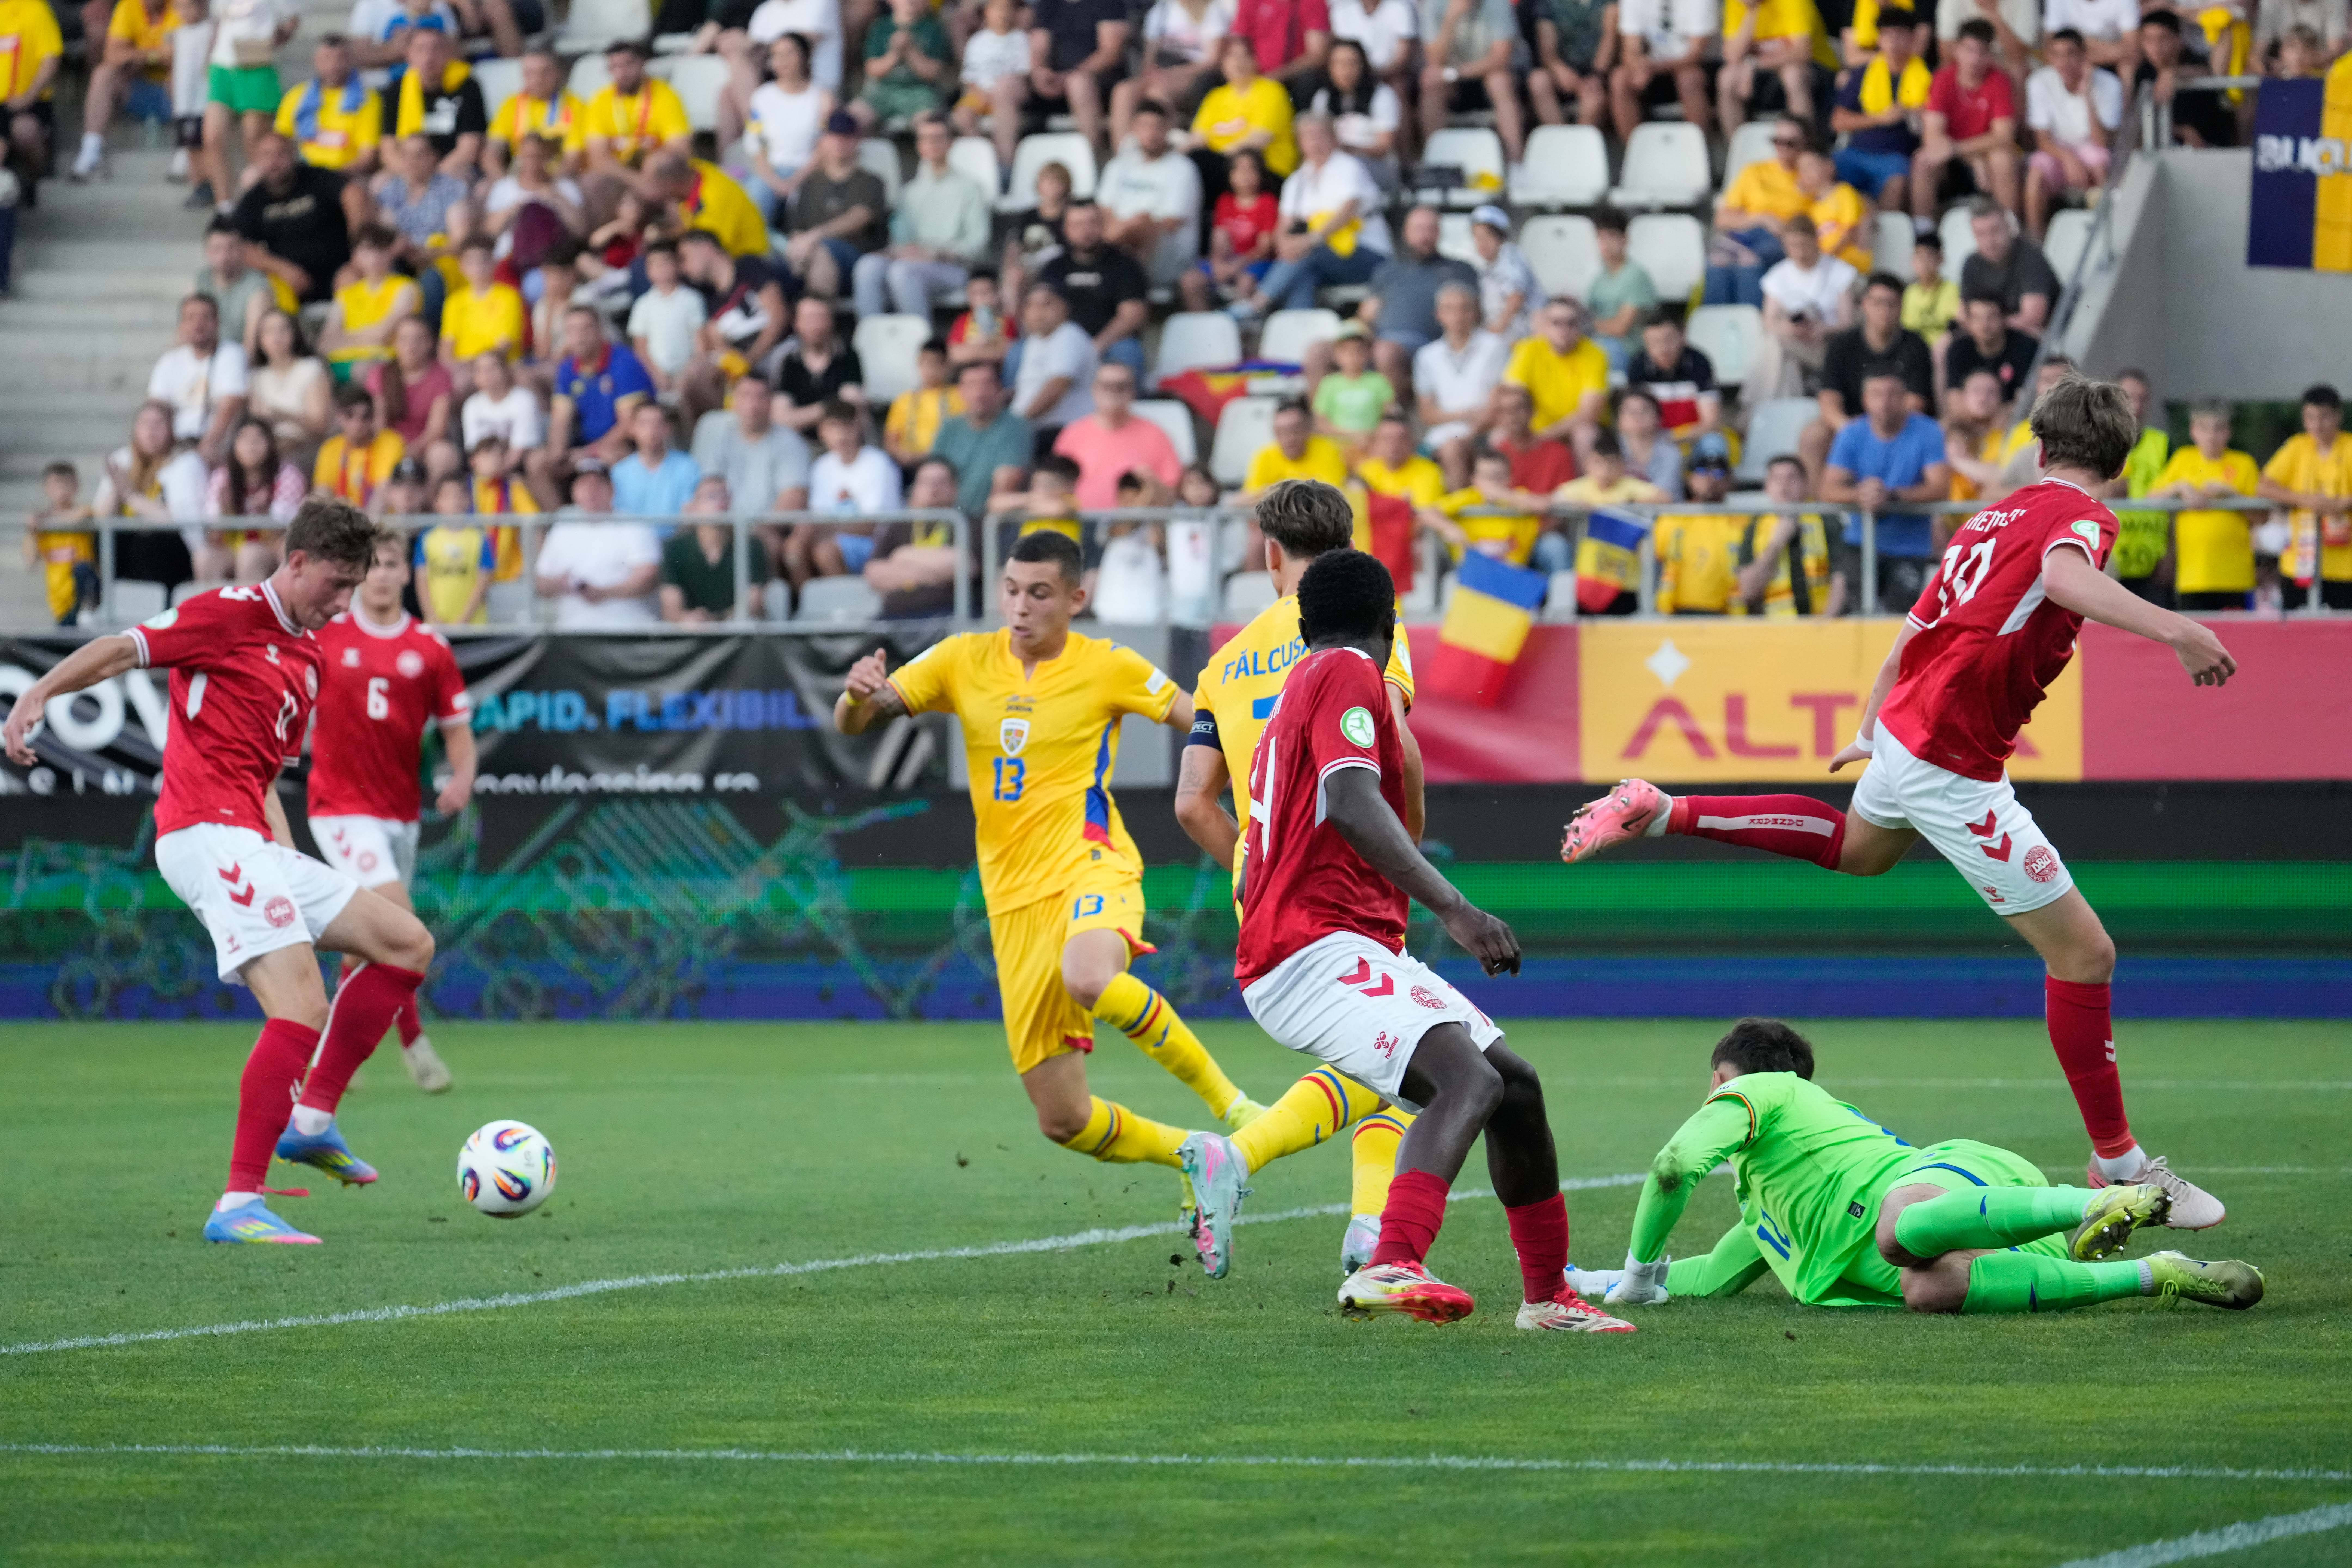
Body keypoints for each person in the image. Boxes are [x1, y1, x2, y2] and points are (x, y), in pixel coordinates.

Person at [1565, 375, 2239, 1226]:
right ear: (2122, 461)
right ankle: (2120, 1167)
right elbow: (2066, 579)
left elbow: (1915, 628)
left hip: (1911, 726)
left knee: (1860, 850)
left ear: (2037, 449)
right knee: (2086, 957)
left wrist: (1872, 722)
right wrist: (2180, 629)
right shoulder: (2083, 519)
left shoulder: (1986, 520)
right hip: (1952, 758)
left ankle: (1669, 811)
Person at [2, 498, 437, 1247]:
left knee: (406, 944)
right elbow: (120, 647)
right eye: (336, 585)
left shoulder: (310, 657)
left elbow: (264, 776)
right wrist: (39, 693)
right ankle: (239, 1201)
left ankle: (313, 1120)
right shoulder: (228, 613)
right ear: (295, 563)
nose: (344, 604)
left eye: (354, 587)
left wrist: (287, 855)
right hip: (202, 832)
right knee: (301, 1003)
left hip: (251, 839)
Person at [1214, 547, 1626, 1331]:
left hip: (1337, 943)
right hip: (1312, 949)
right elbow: (1347, 800)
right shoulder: (1346, 672)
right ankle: (1391, 1261)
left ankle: (1550, 1299)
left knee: (1518, 1089)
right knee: (1466, 1082)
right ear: (1389, 620)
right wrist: (1455, 909)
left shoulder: (1304, 679)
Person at [833, 531, 1265, 1207]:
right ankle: (1197, 1155)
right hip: (1012, 902)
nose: (1020, 606)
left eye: (1038, 593)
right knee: (1063, 1119)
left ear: (1075, 597)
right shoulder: (961, 658)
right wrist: (857, 693)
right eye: (1010, 589)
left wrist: (1256, 782)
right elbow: (856, 722)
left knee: (1091, 974)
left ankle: (1236, 1109)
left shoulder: (1108, 664)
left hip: (1091, 862)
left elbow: (1200, 719)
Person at [1569, 1020, 2263, 1316]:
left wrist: (1635, 1270)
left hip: (1962, 1173)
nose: (1709, 1098)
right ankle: (2159, 1271)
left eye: (1715, 1083)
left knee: (1897, 1233)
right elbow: (1710, 1277)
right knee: (1929, 1289)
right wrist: (1597, 1281)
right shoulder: (1770, 1203)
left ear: (1732, 1079)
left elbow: (1674, 1165)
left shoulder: (1769, 1089)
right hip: (1995, 1225)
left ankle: (2107, 1197)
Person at [1172, 479, 1423, 1273]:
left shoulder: (1227, 662)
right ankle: (1241, 1158)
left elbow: (1191, 803)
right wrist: (1408, 863)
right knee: (1427, 1055)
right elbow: (1400, 750)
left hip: (1275, 892)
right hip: (1352, 877)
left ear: (1269, 553)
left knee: (1390, 1056)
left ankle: (1366, 1229)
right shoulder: (1361, 630)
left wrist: (1251, 871)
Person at [306, 526, 473, 1096]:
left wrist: (463, 776)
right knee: (403, 929)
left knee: (367, 943)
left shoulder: (430, 646)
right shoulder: (328, 637)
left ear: (408, 573)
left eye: (391, 564)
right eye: (371, 564)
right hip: (339, 809)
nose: (380, 574)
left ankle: (323, 1042)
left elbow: (457, 730)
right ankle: (415, 1044)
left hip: (401, 814)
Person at [1819, 367, 1949, 608]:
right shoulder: (1852, 433)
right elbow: (1828, 490)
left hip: (1910, 547)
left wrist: (1891, 495)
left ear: (1905, 399)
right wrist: (1862, 494)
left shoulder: (1929, 431)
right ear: (1865, 400)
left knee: (1897, 618)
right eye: (1877, 394)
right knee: (1852, 617)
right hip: (1860, 542)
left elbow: (1941, 488)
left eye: (1892, 394)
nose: (1885, 402)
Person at [1243, 111, 1386, 317]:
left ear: (1333, 138)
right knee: (1304, 275)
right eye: (1308, 136)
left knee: (1309, 254)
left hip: (1366, 253)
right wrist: (1285, 246)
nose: (1315, 141)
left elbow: (1348, 210)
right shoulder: (1297, 180)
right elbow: (1284, 225)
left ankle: (1258, 303)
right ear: (1300, 142)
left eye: (1320, 135)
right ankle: (1298, 331)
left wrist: (1312, 240)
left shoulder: (1348, 167)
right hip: (1320, 259)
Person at [1810, 272, 1934, 470]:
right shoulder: (1841, 346)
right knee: (1813, 436)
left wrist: (1879, 430)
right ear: (1864, 304)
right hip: (1850, 424)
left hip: (1898, 423)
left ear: (1902, 307)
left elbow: (1915, 403)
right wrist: (1853, 432)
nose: (1884, 311)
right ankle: (1819, 498)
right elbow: (1828, 400)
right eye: (1877, 303)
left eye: (1891, 304)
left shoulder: (1916, 346)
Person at [2153, 399, 2260, 611]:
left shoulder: (2244, 463)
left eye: (2219, 429)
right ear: (2194, 431)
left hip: (2236, 578)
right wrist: (2180, 487)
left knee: (2237, 642)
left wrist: (2232, 496)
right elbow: (2151, 499)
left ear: (2229, 432)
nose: (2212, 436)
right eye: (2205, 429)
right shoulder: (2183, 459)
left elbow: (2261, 517)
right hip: (2194, 578)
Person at [2256, 382, 2352, 610]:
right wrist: (2307, 501)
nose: (2317, 425)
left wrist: (2344, 503)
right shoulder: (2297, 447)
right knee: (2298, 635)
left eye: (2324, 417)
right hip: (2301, 563)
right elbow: (2263, 486)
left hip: (2346, 566)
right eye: (2310, 417)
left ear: (2338, 416)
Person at [1745, 215, 1857, 407]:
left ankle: (1755, 408)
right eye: (1793, 246)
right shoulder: (1778, 275)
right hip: (1793, 341)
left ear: (1816, 241)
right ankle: (1786, 410)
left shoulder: (1840, 272)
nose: (1799, 252)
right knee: (1782, 353)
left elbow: (1847, 322)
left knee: (1776, 345)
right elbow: (1769, 321)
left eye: (1804, 244)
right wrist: (1790, 329)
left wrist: (1822, 329)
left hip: (1827, 344)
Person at [96, 401, 207, 592]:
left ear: (172, 429)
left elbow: (180, 522)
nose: (151, 431)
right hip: (131, 550)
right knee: (103, 541)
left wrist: (130, 496)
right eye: (145, 424)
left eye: (158, 424)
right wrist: (117, 491)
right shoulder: (123, 459)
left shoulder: (185, 463)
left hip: (172, 550)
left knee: (149, 543)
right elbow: (101, 519)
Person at [1915, 19, 2019, 222]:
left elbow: (2004, 136)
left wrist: (1959, 150)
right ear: (1956, 50)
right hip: (1958, 157)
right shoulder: (1943, 79)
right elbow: (1932, 135)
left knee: (2003, 159)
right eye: (1969, 50)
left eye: (1982, 52)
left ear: (1991, 56)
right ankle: (1924, 233)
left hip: (1982, 155)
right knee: (1923, 161)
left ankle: (2010, 225)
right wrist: (1973, 160)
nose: (1974, 59)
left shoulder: (2000, 81)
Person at [2024, 28, 2123, 241]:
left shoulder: (2109, 84)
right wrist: (2068, 158)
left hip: (2093, 150)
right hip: (2058, 151)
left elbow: (2102, 142)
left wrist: (2087, 95)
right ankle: (2036, 242)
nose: (2063, 61)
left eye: (2070, 54)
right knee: (2036, 173)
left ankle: (2109, 236)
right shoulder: (2039, 82)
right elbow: (2042, 140)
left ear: (2084, 56)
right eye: (2057, 55)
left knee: (2100, 164)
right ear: (2049, 57)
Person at [201, 0, 297, 219]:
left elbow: (293, 17)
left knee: (254, 138)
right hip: (222, 63)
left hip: (256, 62)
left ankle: (258, 202)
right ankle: (224, 206)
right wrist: (210, 55)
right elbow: (219, 21)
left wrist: (277, 38)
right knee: (212, 137)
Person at [534, 464, 663, 625]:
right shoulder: (563, 528)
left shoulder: (634, 525)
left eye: (597, 484)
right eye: (583, 485)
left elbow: (647, 578)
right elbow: (541, 583)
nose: (591, 491)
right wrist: (560, 584)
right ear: (574, 492)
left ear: (612, 490)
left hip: (627, 628)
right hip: (572, 631)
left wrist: (603, 593)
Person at [1037, 200, 1152, 380]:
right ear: (1065, 230)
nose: (1086, 230)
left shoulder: (1125, 265)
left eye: (1092, 223)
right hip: (1062, 343)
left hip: (1111, 343)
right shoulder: (1054, 268)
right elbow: (1041, 311)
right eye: (1078, 224)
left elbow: (1133, 315)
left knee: (1129, 352)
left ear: (1103, 226)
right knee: (1019, 351)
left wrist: (1096, 346)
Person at [1098, 99, 1204, 290]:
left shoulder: (1182, 169)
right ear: (1134, 130)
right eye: (1145, 126)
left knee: (1142, 222)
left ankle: (1108, 276)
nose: (1151, 133)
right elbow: (1104, 210)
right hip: (1122, 243)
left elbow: (1171, 222)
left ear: (1167, 131)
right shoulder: (1119, 165)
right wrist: (1124, 230)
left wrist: (1129, 227)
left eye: (1157, 127)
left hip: (1167, 250)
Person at [1829, 8, 1928, 211]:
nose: (1893, 42)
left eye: (1900, 35)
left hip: (1896, 156)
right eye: (1887, 35)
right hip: (1856, 152)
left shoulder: (1928, 77)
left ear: (1912, 39)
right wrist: (1881, 119)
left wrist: (1915, 113)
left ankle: (1886, 234)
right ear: (1880, 40)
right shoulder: (1863, 73)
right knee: (1827, 171)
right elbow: (1838, 121)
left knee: (1897, 181)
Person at [77, 0, 187, 182]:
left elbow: (183, 55)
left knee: (180, 73)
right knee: (103, 74)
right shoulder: (129, 6)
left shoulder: (181, 5)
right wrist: (155, 55)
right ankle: (91, 151)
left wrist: (134, 54)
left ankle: (187, 149)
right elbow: (112, 56)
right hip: (138, 91)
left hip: (175, 93)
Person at [1558, 428, 1668, 602]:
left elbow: (1664, 498)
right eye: (1598, 463)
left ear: (1622, 465)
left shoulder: (1630, 486)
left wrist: (1628, 506)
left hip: (1625, 567)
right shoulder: (1580, 488)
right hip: (1589, 569)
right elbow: (1556, 500)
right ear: (1587, 465)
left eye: (1611, 463)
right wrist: (1576, 506)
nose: (1605, 470)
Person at [1709, 115, 1808, 309]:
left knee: (1748, 261)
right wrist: (1763, 218)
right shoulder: (1754, 171)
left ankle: (1751, 324)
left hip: (1787, 238)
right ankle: (1714, 324)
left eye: (1791, 143)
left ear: (1804, 144)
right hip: (1750, 232)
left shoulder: (1810, 175)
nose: (1783, 148)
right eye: (1778, 142)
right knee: (1718, 259)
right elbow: (1722, 219)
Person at [1053, 362, 1183, 508]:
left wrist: (1152, 484)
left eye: (1121, 387)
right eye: (1106, 386)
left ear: (1133, 392)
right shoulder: (1072, 434)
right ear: (1094, 389)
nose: (1113, 392)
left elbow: (1172, 497)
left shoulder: (1156, 435)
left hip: (1135, 527)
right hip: (1079, 524)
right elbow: (1053, 487)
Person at [1414, 282, 1507, 485]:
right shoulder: (1427, 356)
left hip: (1486, 430)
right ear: (1439, 315)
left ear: (1475, 312)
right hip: (1445, 434)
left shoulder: (1495, 347)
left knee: (1454, 448)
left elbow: (1496, 405)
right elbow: (1427, 414)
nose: (1458, 315)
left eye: (1465, 308)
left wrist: (1470, 432)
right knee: (1450, 447)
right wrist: (1467, 414)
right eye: (1450, 309)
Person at [1418, 0, 1527, 161]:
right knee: (1431, 82)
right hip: (1453, 81)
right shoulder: (1433, 5)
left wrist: (1456, 73)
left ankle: (1516, 161)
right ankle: (1435, 163)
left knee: (1500, 82)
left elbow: (1501, 58)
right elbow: (1435, 61)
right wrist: (1451, 19)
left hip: (1489, 74)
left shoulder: (1498, 4)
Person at [1736, 453, 1843, 615]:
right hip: (1778, 630)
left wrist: (1827, 623)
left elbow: (1842, 577)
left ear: (1806, 485)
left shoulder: (1826, 519)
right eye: (1777, 479)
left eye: (1792, 478)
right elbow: (1748, 591)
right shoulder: (1754, 527)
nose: (1784, 486)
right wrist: (1777, 544)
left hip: (1822, 624)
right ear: (1767, 487)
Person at [150, 293, 250, 467]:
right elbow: (155, 408)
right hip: (175, 446)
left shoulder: (232, 354)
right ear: (181, 325)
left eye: (205, 317)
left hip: (215, 445)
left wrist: (205, 448)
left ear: (217, 322)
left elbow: (230, 408)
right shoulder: (169, 361)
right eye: (191, 318)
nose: (198, 324)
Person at [1502, 296, 1610, 457]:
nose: (1564, 329)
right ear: (1544, 326)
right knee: (1498, 436)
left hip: (1572, 430)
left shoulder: (1595, 354)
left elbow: (1588, 414)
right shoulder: (1527, 350)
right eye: (1556, 323)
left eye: (1571, 323)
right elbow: (1511, 398)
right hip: (1533, 429)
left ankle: (1584, 483)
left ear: (1580, 326)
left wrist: (1543, 437)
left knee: (1585, 434)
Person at [1187, 36, 1300, 189]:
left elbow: (1259, 139)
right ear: (1222, 64)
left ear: (1256, 61)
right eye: (1232, 57)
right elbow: (1198, 138)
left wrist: (1217, 157)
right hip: (1223, 167)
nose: (1238, 62)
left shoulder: (1272, 91)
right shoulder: (1215, 97)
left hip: (1266, 170)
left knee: (1203, 164)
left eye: (1245, 56)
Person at [743, 32, 830, 225]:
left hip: (809, 173)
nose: (783, 61)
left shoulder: (822, 98)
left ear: (805, 56)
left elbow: (824, 146)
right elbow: (756, 145)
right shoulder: (762, 97)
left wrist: (796, 181)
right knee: (753, 210)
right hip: (770, 173)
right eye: (776, 55)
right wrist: (775, 181)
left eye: (790, 53)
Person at [551, 304, 656, 464]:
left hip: (622, 446)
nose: (579, 338)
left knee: (612, 455)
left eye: (586, 329)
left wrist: (589, 452)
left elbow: (627, 425)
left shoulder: (624, 362)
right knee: (540, 462)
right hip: (583, 444)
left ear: (599, 330)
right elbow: (560, 420)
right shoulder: (567, 367)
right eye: (572, 331)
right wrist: (558, 454)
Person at [204, 416, 305, 580]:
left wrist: (263, 512)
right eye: (244, 439)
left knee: (249, 554)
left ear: (271, 445)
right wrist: (224, 510)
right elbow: (212, 536)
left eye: (258, 439)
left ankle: (249, 606)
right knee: (205, 558)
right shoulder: (222, 477)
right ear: (234, 446)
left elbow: (284, 532)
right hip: (231, 547)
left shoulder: (287, 475)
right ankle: (215, 606)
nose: (251, 445)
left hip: (270, 549)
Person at [1023, 0, 1129, 153]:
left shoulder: (1109, 4)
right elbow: (1039, 46)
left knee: (1078, 83)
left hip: (1099, 81)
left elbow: (1110, 53)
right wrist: (1040, 72)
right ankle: (1006, 167)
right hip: (1055, 83)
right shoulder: (1048, 4)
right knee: (1007, 86)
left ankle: (1092, 156)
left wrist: (1071, 75)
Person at [579, 38, 690, 182]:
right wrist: (637, 182)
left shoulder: (666, 96)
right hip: (619, 176)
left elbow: (681, 150)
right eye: (615, 67)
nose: (622, 73)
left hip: (657, 175)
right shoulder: (601, 100)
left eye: (628, 64)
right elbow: (598, 157)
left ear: (643, 63)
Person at [934, 357, 1035, 517]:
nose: (979, 393)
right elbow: (932, 477)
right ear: (961, 391)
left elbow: (1005, 486)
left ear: (999, 389)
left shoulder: (1015, 428)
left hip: (989, 524)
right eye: (971, 385)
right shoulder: (949, 428)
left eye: (986, 385)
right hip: (948, 522)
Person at [661, 476, 770, 620]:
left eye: (725, 496)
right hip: (691, 635)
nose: (720, 502)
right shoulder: (674, 548)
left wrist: (721, 620)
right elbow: (671, 605)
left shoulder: (751, 545)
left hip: (738, 634)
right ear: (693, 507)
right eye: (711, 497)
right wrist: (686, 619)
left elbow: (754, 600)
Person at [1609, 0, 1714, 140]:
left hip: (1691, 66)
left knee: (1689, 79)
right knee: (1620, 78)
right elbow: (1630, 49)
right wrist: (1640, 66)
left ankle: (1699, 150)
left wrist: (1654, 67)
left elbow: (1696, 54)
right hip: (1650, 68)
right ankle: (1635, 152)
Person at [390, 27, 484, 177]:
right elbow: (389, 149)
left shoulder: (467, 86)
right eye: (421, 50)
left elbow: (469, 148)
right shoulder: (396, 90)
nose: (429, 56)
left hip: (452, 168)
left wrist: (435, 179)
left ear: (448, 54)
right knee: (379, 184)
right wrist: (411, 175)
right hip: (408, 171)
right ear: (408, 55)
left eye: (436, 49)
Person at [625, 240, 708, 402]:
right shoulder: (643, 305)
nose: (661, 269)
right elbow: (640, 347)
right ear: (648, 271)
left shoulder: (692, 300)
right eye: (654, 265)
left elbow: (701, 343)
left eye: (665, 262)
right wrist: (656, 374)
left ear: (677, 265)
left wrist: (691, 373)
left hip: (688, 374)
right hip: (656, 375)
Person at [1009, 283, 1097, 431]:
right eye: (1031, 305)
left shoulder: (1069, 335)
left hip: (1061, 430)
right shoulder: (1034, 341)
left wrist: (1018, 426)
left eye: (1046, 304)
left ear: (1064, 308)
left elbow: (1057, 387)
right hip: (1034, 428)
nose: (1038, 312)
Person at [1623, 310, 1720, 443]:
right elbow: (1634, 421)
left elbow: (1710, 423)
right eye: (1654, 342)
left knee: (1714, 442)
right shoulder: (1638, 367)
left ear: (1682, 336)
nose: (1663, 349)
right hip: (1653, 444)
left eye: (1668, 339)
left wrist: (1672, 437)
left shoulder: (1699, 363)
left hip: (1693, 439)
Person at [850, 0, 951, 126]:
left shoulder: (933, 29)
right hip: (882, 91)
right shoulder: (881, 27)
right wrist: (894, 54)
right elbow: (873, 70)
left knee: (931, 123)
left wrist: (911, 52)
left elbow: (932, 73)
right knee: (852, 120)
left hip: (921, 93)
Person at [483, 46, 580, 177]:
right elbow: (492, 152)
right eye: (530, 73)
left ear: (558, 73)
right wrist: (502, 182)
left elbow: (572, 159)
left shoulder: (575, 106)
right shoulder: (512, 104)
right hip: (518, 174)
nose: (538, 79)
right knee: (483, 190)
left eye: (545, 72)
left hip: (557, 176)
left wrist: (545, 187)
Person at [958, 0, 1032, 171]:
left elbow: (1023, 74)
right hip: (980, 94)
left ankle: (1006, 164)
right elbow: (969, 77)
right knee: (963, 116)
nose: (1002, 14)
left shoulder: (1021, 39)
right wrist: (982, 95)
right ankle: (984, 162)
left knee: (1003, 98)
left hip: (1009, 95)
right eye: (997, 9)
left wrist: (997, 95)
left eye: (1007, 9)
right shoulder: (977, 41)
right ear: (987, 12)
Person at [24, 462, 99, 627]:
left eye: (66, 484)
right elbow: (30, 561)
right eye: (56, 485)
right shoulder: (41, 527)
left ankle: (88, 608)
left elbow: (82, 515)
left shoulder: (84, 513)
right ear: (46, 488)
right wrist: (32, 531)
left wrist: (48, 520)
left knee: (84, 570)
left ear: (76, 487)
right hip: (60, 599)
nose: (61, 490)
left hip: (82, 594)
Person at [196, 218, 278, 361]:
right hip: (208, 361)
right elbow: (188, 333)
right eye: (217, 249)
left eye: (231, 248)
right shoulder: (201, 280)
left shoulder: (258, 286)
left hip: (244, 365)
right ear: (207, 252)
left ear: (242, 249)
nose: (224, 257)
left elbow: (252, 347)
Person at [369, 317, 454, 452]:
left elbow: (437, 430)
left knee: (442, 453)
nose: (411, 347)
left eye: (419, 340)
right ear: (395, 343)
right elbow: (379, 422)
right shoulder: (380, 374)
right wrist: (391, 452)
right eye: (404, 340)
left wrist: (410, 452)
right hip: (388, 447)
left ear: (430, 343)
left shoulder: (441, 376)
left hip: (424, 447)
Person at [1584, 209, 1656, 368]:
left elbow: (1621, 328)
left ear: (1625, 240)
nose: (1606, 244)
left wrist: (1586, 325)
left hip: (1628, 349)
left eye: (1612, 236)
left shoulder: (1636, 276)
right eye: (1601, 238)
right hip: (1600, 341)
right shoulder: (1599, 278)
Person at [1526, 0, 1614, 130]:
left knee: (1593, 98)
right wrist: (1560, 70)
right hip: (1562, 70)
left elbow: (1609, 38)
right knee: (1538, 81)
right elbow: (1548, 49)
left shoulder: (1608, 4)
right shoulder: (1547, 5)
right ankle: (1559, 140)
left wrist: (1597, 76)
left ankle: (1578, 146)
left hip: (1598, 72)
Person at [1239, 397, 1348, 499]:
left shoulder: (1328, 450)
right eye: (1280, 432)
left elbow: (1332, 496)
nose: (1289, 439)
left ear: (1308, 429)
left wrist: (1273, 493)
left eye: (1295, 431)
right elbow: (1248, 498)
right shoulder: (1264, 456)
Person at [315, 383, 406, 504]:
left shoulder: (390, 442)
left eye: (366, 417)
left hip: (379, 518)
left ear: (373, 417)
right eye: (350, 415)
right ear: (339, 417)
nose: (358, 424)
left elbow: (383, 489)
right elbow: (323, 490)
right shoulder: (330, 448)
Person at [1311, 323, 1392, 451]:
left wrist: (1371, 436)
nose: (1353, 355)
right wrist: (1353, 436)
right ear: (1336, 354)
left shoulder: (1379, 382)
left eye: (1359, 350)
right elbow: (1321, 423)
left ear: (1368, 353)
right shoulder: (1329, 384)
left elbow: (1389, 416)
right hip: (1337, 447)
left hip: (1371, 445)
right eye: (1346, 350)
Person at [1613, 387, 1685, 497]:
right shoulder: (1609, 450)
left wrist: (1623, 498)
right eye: (1630, 411)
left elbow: (1663, 497)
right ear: (1619, 421)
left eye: (1645, 410)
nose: (1637, 417)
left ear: (1658, 418)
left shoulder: (1671, 453)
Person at [1902, 232, 1960, 348]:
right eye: (1919, 256)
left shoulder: (1953, 290)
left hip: (1943, 350)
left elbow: (1956, 327)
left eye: (1929, 256)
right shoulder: (1909, 293)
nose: (1924, 263)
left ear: (1941, 259)